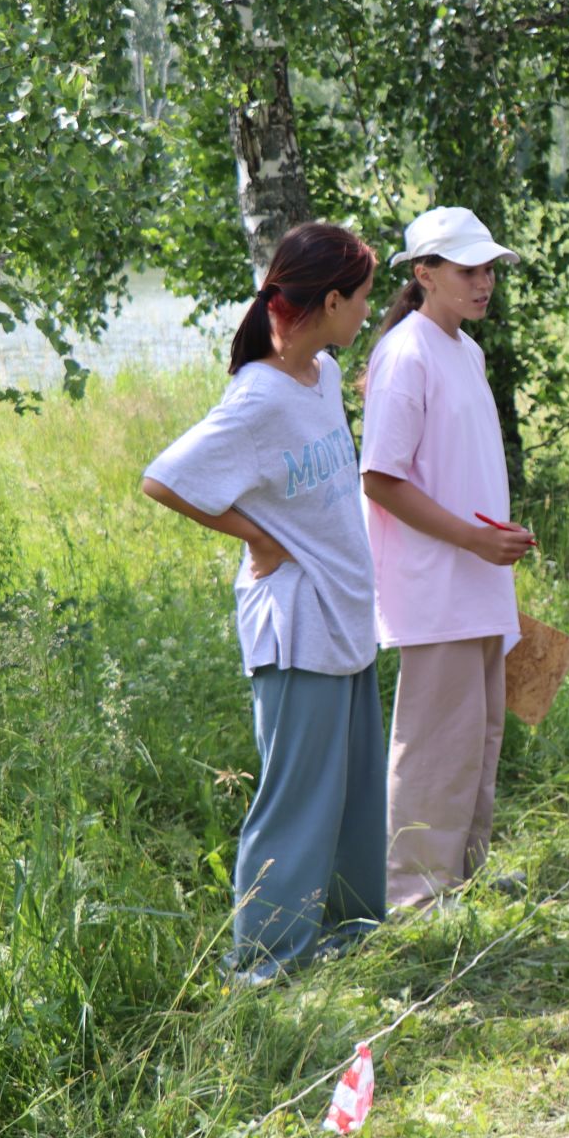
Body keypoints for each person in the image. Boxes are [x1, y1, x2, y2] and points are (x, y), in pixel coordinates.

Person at [140, 222, 382, 984]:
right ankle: (266, 965)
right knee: (296, 802)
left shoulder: (324, 376)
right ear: (332, 299)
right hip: (296, 622)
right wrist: (258, 537)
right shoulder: (258, 398)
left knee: (352, 793)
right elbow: (164, 478)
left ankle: (349, 934)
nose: (368, 315)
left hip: (345, 611)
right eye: (364, 300)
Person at [359, 207, 531, 913]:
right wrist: (472, 539)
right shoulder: (407, 353)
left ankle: (461, 876)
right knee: (433, 748)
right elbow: (380, 477)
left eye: (489, 268)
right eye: (469, 270)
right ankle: (414, 902)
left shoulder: (464, 349)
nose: (485, 282)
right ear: (424, 274)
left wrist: (495, 538)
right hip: (434, 587)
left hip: (478, 578)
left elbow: (455, 467)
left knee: (478, 737)